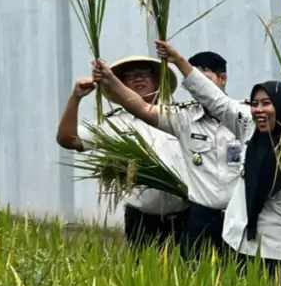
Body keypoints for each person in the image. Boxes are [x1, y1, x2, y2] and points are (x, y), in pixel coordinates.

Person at [93, 47, 244, 257]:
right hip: (198, 218)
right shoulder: (183, 118)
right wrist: (110, 79)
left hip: (239, 220)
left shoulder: (246, 117)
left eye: (205, 80)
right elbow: (143, 108)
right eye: (195, 83)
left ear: (222, 79)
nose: (202, 89)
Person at [56, 55, 188, 247]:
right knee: (144, 274)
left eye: (144, 73)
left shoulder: (178, 116)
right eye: (130, 76)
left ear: (158, 80)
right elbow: (67, 139)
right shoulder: (114, 123)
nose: (138, 79)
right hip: (143, 220)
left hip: (186, 216)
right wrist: (75, 98)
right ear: (121, 85)